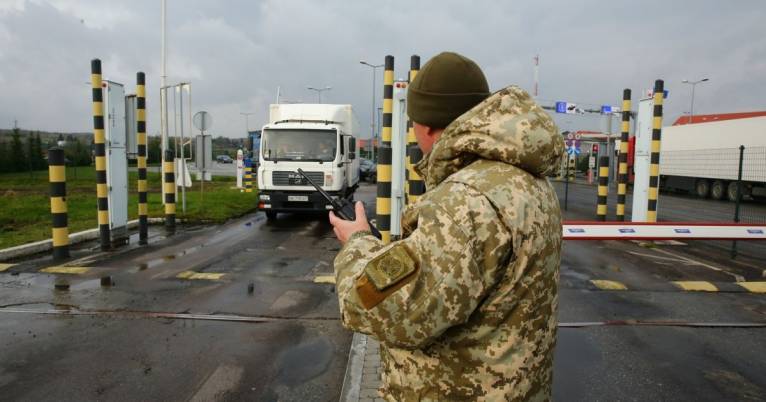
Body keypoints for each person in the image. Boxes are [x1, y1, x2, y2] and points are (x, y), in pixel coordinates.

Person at [329, 51, 565, 401]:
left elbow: (382, 307)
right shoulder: (528, 182)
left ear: (425, 125)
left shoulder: (465, 201)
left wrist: (358, 243)